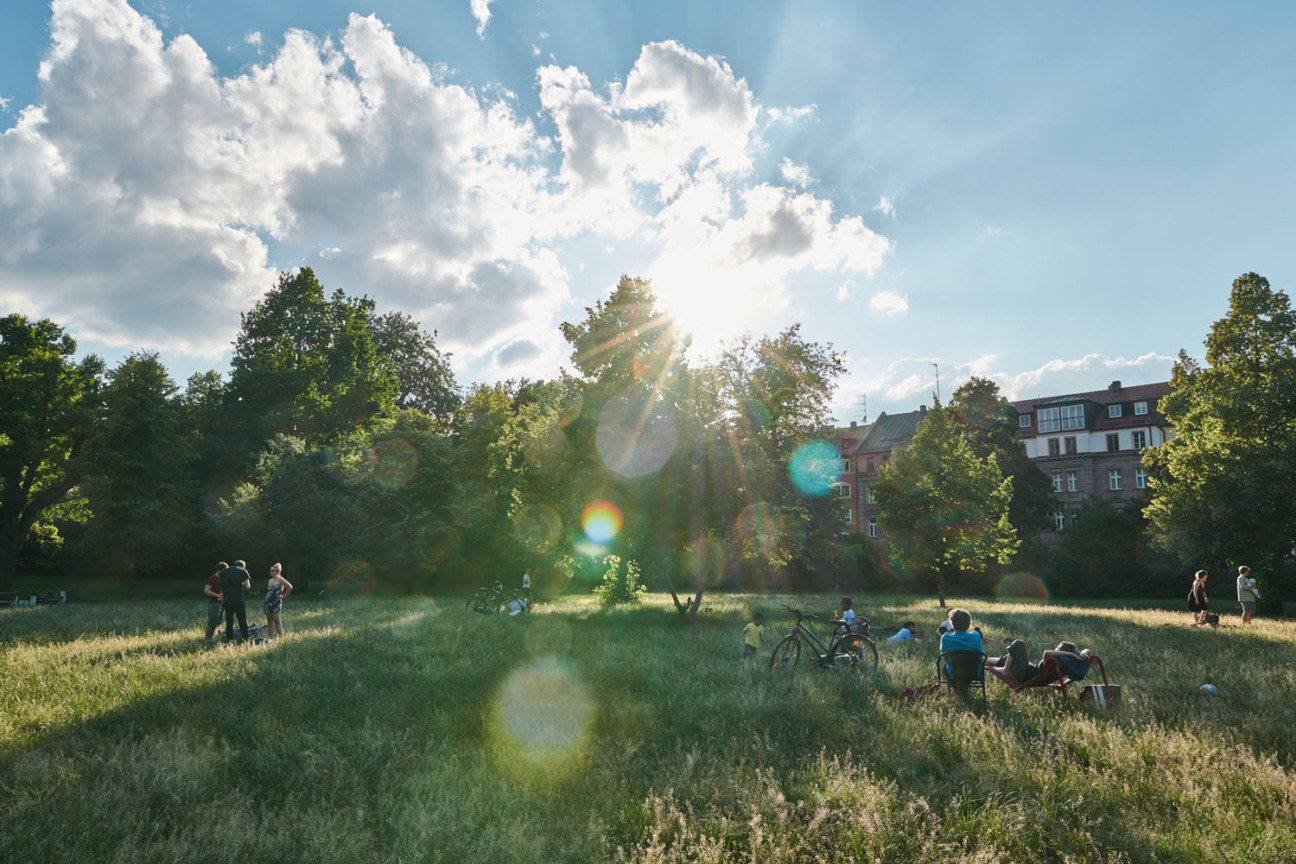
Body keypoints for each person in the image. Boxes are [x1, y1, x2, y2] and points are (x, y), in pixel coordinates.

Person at [218, 559, 253, 642]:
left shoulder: (223, 572)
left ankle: (229, 639)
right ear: (243, 566)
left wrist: (223, 599)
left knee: (229, 620)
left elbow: (221, 589)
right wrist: (243, 589)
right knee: (242, 620)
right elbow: (248, 586)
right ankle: (245, 638)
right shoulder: (243, 571)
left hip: (227, 600)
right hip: (238, 599)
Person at [263, 562, 293, 639]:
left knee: (276, 619)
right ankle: (270, 637)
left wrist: (284, 595)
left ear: (277, 571)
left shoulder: (280, 579)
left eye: (272, 570)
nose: (271, 572)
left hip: (276, 601)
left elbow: (290, 587)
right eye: (270, 570)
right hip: (268, 602)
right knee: (269, 621)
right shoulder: (270, 580)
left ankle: (281, 636)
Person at [203, 562, 227, 645]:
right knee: (212, 621)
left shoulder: (222, 578)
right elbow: (206, 590)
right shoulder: (213, 578)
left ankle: (211, 638)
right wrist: (217, 595)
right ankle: (208, 639)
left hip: (221, 603)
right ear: (221, 570)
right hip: (214, 603)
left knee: (217, 621)